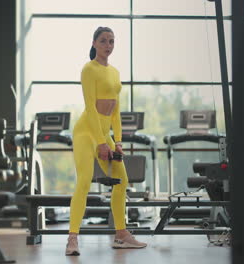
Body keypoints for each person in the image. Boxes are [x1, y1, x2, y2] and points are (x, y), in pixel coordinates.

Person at [65, 26, 147, 256]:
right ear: (94, 44)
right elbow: (91, 109)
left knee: (122, 181)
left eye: (111, 41)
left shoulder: (115, 72)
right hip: (85, 132)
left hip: (104, 134)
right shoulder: (88, 69)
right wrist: (101, 142)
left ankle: (121, 235)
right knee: (83, 181)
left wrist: (117, 142)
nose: (108, 45)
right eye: (103, 41)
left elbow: (116, 112)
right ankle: (72, 239)